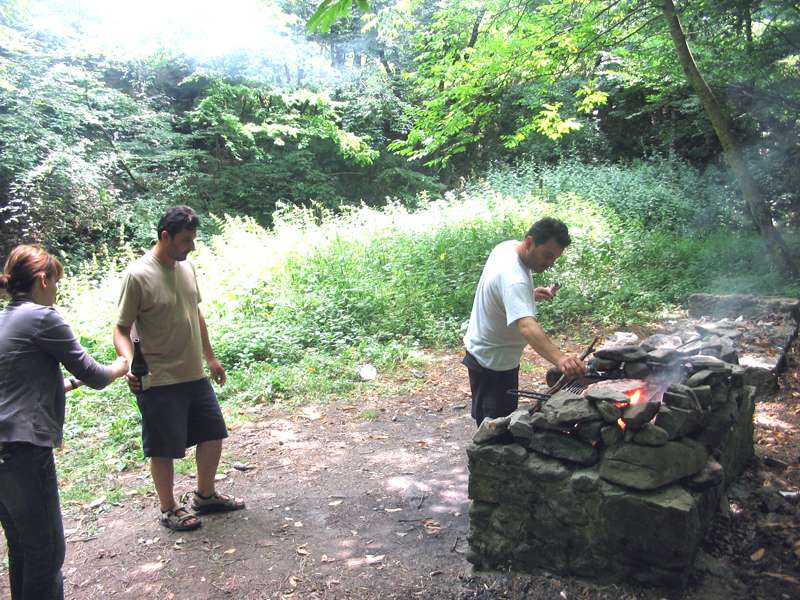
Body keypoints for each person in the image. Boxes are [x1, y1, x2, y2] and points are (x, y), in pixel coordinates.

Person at [0, 244, 128, 600]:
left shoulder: (5, 319)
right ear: (42, 280)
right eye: (56, 283)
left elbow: (18, 381)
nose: (56, 291)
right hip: (24, 450)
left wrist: (70, 383)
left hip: (4, 452)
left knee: (23, 547)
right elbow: (98, 375)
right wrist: (120, 365)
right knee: (48, 551)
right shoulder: (43, 317)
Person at [113, 205, 244, 532]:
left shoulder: (187, 268)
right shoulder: (138, 275)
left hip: (193, 373)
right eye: (186, 240)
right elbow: (120, 329)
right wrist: (131, 363)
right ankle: (169, 507)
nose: (192, 246)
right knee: (164, 446)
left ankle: (205, 495)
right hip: (158, 377)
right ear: (165, 236)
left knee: (213, 433)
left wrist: (210, 357)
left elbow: (195, 314)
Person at [463, 217, 586, 425]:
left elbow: (502, 288)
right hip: (492, 363)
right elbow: (527, 327)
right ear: (530, 242)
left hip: (489, 356)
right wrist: (561, 359)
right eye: (547, 256)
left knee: (499, 424)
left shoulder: (508, 248)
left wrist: (528, 295)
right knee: (494, 432)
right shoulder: (515, 279)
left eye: (554, 259)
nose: (549, 263)